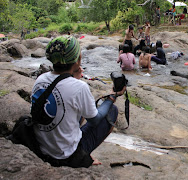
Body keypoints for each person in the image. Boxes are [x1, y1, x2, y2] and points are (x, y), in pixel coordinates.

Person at [31, 35, 126, 168]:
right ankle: (82, 155)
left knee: (77, 108)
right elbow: (94, 120)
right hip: (65, 156)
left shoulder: (40, 80)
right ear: (77, 60)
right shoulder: (79, 87)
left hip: (41, 147)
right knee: (112, 110)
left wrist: (74, 78)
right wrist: (112, 97)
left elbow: (64, 91)